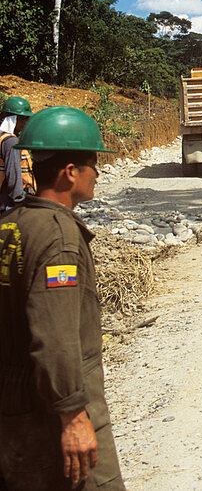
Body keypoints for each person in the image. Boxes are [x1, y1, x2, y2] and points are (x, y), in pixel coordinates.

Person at [0, 106, 124, 490]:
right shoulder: (59, 239)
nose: (98, 173)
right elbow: (54, 336)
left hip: (14, 406)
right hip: (50, 411)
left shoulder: (12, 225)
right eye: (92, 164)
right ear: (71, 172)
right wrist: (73, 417)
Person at [0, 95, 35, 213]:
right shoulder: (11, 142)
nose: (27, 122)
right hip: (9, 204)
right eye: (25, 119)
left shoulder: (3, 138)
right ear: (15, 119)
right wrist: (19, 200)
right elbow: (13, 174)